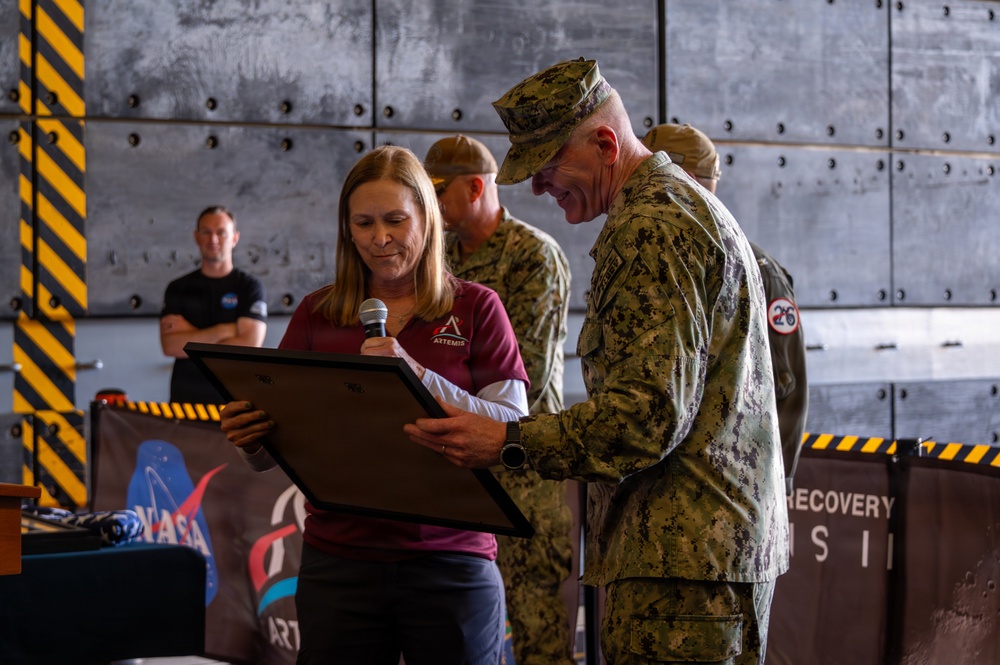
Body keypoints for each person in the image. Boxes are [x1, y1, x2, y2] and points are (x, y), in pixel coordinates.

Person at [405, 58, 790, 664]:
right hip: (693, 556)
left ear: (606, 144)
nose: (537, 188)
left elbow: (643, 418)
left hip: (681, 564)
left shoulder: (652, 227)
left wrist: (506, 440)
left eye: (548, 166)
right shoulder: (673, 209)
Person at [219, 144, 530, 665]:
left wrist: (415, 375)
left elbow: (511, 426)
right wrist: (251, 438)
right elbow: (275, 447)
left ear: (427, 220)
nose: (379, 239)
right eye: (363, 223)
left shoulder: (477, 307)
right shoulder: (318, 312)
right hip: (341, 562)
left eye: (394, 220)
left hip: (451, 560)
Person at [424, 135, 576, 665]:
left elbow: (522, 376)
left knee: (537, 630)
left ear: (474, 186)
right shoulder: (435, 259)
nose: (430, 205)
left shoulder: (533, 256)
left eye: (438, 191)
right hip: (455, 467)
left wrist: (429, 380)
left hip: (523, 468)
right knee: (457, 634)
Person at [642, 123, 809, 495]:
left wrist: (772, 490)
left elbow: (788, 387)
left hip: (730, 494)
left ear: (680, 177)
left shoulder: (754, 269)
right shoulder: (652, 261)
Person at [159, 206, 267, 404]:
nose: (213, 239)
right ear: (196, 236)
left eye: (221, 233)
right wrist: (225, 330)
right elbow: (170, 346)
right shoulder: (178, 288)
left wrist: (191, 337)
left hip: (235, 402)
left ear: (235, 238)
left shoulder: (249, 287)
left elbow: (250, 345)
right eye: (206, 232)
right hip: (186, 404)